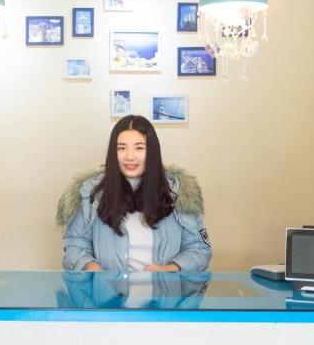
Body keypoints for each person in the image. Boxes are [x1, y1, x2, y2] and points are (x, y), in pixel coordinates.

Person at [58, 115, 211, 272]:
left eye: (139, 148)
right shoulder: (90, 192)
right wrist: (91, 267)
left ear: (152, 152)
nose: (129, 156)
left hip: (165, 294)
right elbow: (74, 244)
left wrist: (171, 269)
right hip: (108, 294)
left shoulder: (179, 193)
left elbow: (199, 250)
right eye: (121, 148)